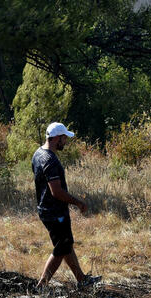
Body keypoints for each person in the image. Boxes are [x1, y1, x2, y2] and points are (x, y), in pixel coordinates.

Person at [32, 122, 100, 289]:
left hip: (47, 209)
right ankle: (42, 285)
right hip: (55, 212)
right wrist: (78, 202)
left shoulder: (38, 153)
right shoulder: (50, 160)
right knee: (61, 248)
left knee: (66, 244)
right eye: (64, 138)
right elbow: (56, 191)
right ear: (56, 138)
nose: (66, 142)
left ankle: (82, 279)